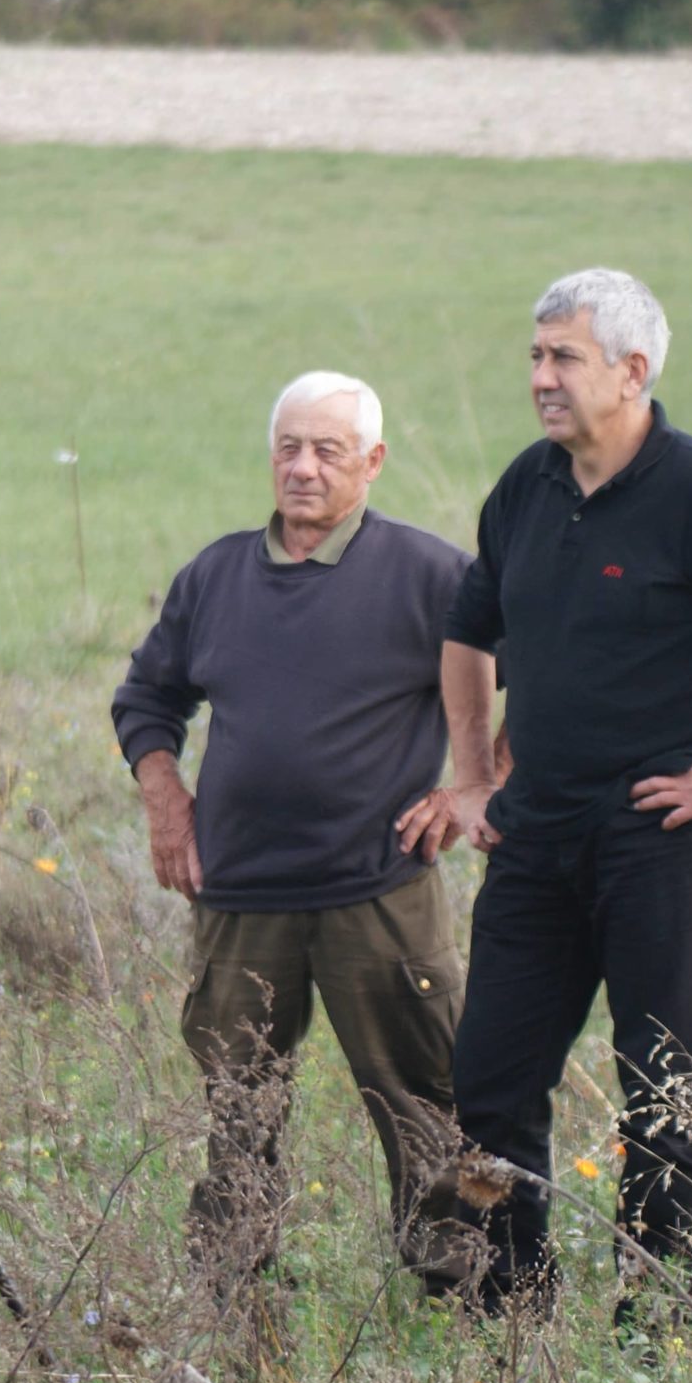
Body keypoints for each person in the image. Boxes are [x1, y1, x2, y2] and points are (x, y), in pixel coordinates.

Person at [399, 268, 692, 1321]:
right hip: (535, 836)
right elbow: (470, 629)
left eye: (563, 357)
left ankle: (666, 1323)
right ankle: (511, 1306)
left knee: (663, 1090)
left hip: (662, 837)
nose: (540, 378)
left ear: (632, 369)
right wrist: (473, 773)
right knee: (491, 1081)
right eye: (534, 356)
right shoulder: (526, 486)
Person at [113, 371, 475, 1299]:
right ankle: (230, 1298)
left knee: (426, 1102)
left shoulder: (432, 575)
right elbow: (149, 697)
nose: (304, 469)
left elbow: (546, 676)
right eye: (289, 448)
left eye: (328, 451)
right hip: (240, 900)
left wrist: (478, 785)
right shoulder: (217, 574)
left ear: (374, 463)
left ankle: (464, 1297)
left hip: (380, 893)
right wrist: (167, 799)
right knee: (237, 1107)